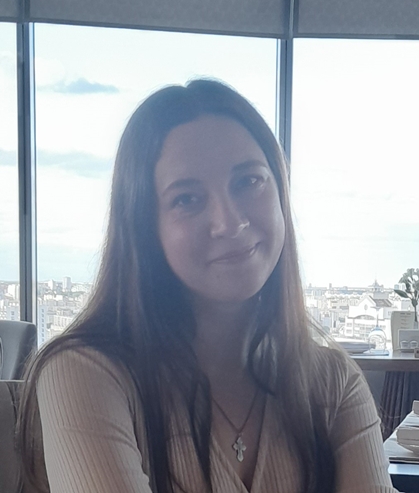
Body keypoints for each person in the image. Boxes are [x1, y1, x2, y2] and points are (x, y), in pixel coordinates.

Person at [18, 79, 398, 493]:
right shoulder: (85, 374)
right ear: (145, 227)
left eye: (248, 181)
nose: (230, 222)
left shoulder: (331, 383)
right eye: (187, 199)